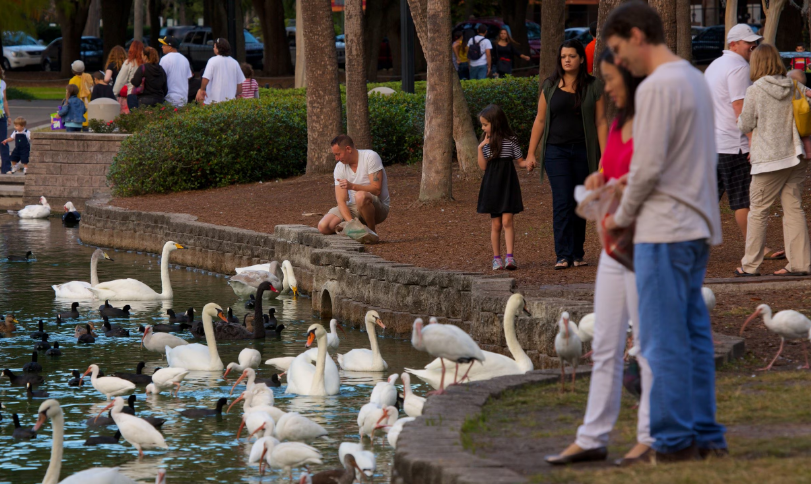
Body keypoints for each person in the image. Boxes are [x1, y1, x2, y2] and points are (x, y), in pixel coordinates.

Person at [602, 1, 727, 462]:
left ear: (637, 35)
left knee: (659, 341)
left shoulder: (656, 87)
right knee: (693, 335)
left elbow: (649, 165)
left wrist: (620, 214)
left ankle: (674, 440)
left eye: (617, 49)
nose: (619, 61)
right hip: (696, 226)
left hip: (662, 229)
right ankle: (706, 433)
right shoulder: (694, 78)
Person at [545, 48, 654, 467]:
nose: (605, 87)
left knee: (645, 341)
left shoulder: (652, 121)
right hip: (614, 242)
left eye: (610, 79)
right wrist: (599, 180)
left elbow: (656, 177)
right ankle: (592, 435)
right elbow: (610, 170)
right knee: (606, 342)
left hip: (645, 241)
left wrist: (626, 193)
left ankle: (650, 434)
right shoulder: (619, 122)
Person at [704, 25, 785, 261]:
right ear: (733, 44)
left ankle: (680, 246)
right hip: (734, 144)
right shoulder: (738, 67)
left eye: (754, 42)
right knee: (742, 200)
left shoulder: (714, 66)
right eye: (748, 42)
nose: (753, 46)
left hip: (715, 143)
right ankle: (758, 248)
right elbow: (739, 107)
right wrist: (751, 142)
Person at [525, 39, 607, 270]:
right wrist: (531, 153)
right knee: (562, 201)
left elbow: (600, 122)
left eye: (572, 56)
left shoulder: (593, 86)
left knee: (580, 200)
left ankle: (577, 253)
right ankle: (562, 254)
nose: (567, 60)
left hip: (584, 151)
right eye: (563, 56)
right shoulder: (550, 85)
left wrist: (605, 154)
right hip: (556, 152)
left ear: (582, 59)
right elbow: (540, 120)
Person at [736, 44, 810, 277]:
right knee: (794, 208)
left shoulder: (755, 90)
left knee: (758, 211)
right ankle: (800, 264)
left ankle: (750, 266)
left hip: (768, 159)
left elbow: (745, 124)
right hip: (796, 155)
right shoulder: (794, 85)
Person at [476, 104, 531, 271]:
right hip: (492, 184)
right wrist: (481, 147)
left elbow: (520, 161)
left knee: (508, 221)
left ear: (496, 122)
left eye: (486, 124)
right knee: (496, 224)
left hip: (508, 184)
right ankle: (496, 258)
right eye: (482, 125)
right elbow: (483, 166)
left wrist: (528, 163)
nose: (483, 128)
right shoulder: (486, 142)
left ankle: (510, 257)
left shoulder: (511, 140)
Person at [318, 134, 390, 236]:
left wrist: (352, 186)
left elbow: (376, 190)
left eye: (338, 154)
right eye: (335, 155)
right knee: (324, 226)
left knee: (360, 196)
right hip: (354, 207)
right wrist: (352, 223)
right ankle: (357, 232)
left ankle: (372, 232)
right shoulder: (339, 168)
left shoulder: (370, 157)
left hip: (377, 206)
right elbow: (341, 201)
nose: (336, 158)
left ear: (348, 149)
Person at [196, 38, 245, 104]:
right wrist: (236, 94)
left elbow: (206, 78)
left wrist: (202, 89)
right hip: (230, 103)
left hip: (213, 102)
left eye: (214, 46)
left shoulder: (212, 61)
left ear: (218, 48)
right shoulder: (235, 62)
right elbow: (239, 85)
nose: (213, 48)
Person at [159, 35, 192, 107]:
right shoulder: (184, 59)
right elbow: (189, 77)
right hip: (183, 99)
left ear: (170, 47)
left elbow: (161, 78)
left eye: (164, 45)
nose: (162, 47)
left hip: (169, 99)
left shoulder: (165, 59)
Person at [113, 40, 145, 113]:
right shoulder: (146, 63)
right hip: (145, 95)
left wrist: (114, 93)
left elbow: (120, 80)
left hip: (132, 94)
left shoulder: (129, 63)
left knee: (135, 119)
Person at [787, 69, 811, 157]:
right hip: (803, 116)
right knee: (806, 136)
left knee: (803, 136)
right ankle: (809, 153)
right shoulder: (805, 89)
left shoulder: (796, 88)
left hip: (797, 115)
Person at [69, 60, 94, 131]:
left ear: (73, 70)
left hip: (76, 108)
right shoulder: (88, 77)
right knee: (87, 130)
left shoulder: (72, 80)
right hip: (87, 106)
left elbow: (70, 93)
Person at [0, 66, 11, 174]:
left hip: (1, 116)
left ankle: (6, 168)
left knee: (3, 141)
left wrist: (8, 116)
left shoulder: (2, 83)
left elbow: (5, 100)